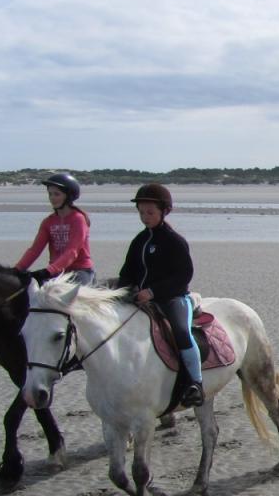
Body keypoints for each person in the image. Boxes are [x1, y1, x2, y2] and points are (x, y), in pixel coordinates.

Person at [117, 183, 203, 408]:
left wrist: (154, 291)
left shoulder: (174, 241)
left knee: (182, 333)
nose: (145, 217)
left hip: (173, 298)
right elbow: (127, 271)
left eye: (150, 213)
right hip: (141, 298)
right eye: (141, 212)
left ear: (164, 212)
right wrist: (123, 289)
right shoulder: (139, 241)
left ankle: (196, 383)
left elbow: (184, 274)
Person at [15, 171, 96, 285]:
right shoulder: (48, 222)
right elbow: (34, 250)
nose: (52, 198)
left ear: (68, 196)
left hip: (80, 271)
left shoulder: (78, 219)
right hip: (57, 272)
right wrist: (17, 269)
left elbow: (72, 251)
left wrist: (48, 271)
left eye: (57, 194)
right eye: (50, 194)